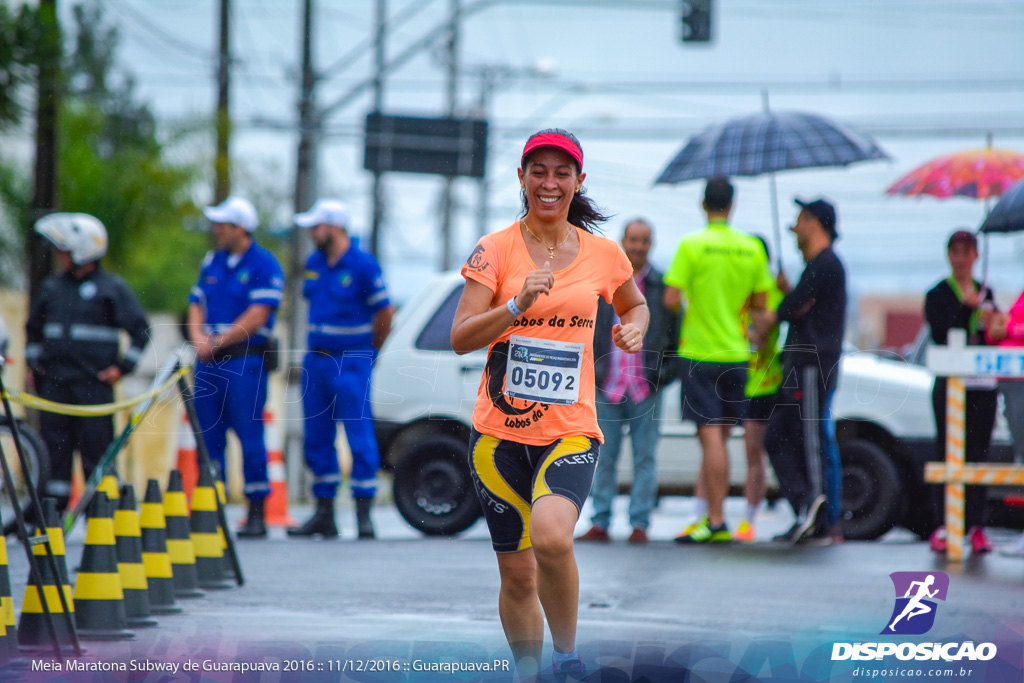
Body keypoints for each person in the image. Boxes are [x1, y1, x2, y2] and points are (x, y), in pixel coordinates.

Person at [450, 128, 647, 681]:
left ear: (579, 181)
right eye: (539, 171)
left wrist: (633, 330)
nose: (550, 182)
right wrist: (515, 304)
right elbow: (462, 336)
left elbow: (635, 306)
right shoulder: (494, 249)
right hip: (498, 436)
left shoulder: (605, 254)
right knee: (516, 575)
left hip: (570, 429)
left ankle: (567, 658)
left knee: (553, 535)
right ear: (521, 178)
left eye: (562, 173)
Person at [664, 176, 772, 544]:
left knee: (710, 439)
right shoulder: (751, 249)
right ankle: (706, 515)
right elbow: (761, 304)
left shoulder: (692, 245)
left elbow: (669, 297)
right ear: (732, 205)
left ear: (703, 203)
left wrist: (694, 305)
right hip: (737, 354)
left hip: (699, 351)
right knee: (720, 439)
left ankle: (716, 520)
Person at [26, 213, 150, 513]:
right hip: (55, 386)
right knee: (53, 454)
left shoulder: (112, 288)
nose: (59, 256)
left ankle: (103, 517)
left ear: (83, 251)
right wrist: (34, 365)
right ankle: (49, 514)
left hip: (93, 388)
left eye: (64, 250)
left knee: (97, 454)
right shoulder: (52, 288)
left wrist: (122, 368)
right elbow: (33, 329)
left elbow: (141, 331)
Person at [288, 199, 394, 540]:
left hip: (351, 359)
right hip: (316, 359)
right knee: (317, 437)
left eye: (316, 226)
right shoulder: (315, 263)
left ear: (334, 227)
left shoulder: (363, 265)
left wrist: (370, 352)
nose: (311, 232)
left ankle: (364, 513)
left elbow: (384, 312)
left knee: (359, 437)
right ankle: (324, 513)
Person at [577, 219, 680, 545]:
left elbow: (675, 338)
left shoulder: (664, 286)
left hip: (644, 387)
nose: (637, 246)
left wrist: (660, 377)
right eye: (633, 240)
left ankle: (639, 524)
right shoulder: (605, 281)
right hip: (607, 384)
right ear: (623, 241)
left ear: (652, 244)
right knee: (602, 457)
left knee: (645, 458)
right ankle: (601, 521)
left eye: (644, 240)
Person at [186, 196, 284, 539]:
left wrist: (218, 341)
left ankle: (256, 511)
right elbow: (196, 303)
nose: (216, 230)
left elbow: (258, 315)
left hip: (244, 362)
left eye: (222, 225)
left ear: (240, 228)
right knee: (208, 438)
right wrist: (198, 337)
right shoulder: (212, 261)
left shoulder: (263, 264)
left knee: (250, 436)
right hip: (209, 363)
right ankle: (210, 508)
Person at [756, 198, 847, 545]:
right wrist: (787, 293)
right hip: (799, 364)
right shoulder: (817, 267)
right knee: (779, 435)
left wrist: (774, 311)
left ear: (814, 222)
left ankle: (821, 515)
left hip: (813, 364)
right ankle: (806, 508)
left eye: (799, 220)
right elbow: (801, 303)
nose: (794, 228)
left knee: (810, 440)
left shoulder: (826, 264)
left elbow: (795, 307)